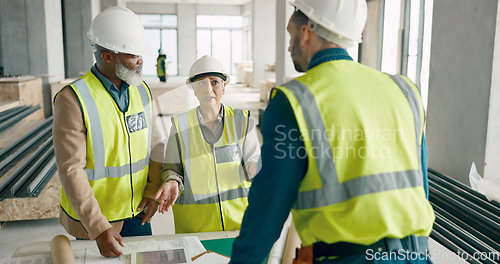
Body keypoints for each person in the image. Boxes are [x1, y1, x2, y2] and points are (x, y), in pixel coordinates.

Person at [229, 0, 435, 263]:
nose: (290, 45)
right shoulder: (405, 91)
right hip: (416, 255)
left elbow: (268, 210)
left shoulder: (295, 101)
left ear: (306, 32)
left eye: (291, 33)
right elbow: (420, 188)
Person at [53, 6, 161, 258]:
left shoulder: (142, 90)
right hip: (96, 223)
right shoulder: (73, 99)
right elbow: (71, 170)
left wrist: (153, 188)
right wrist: (98, 228)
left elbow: (156, 144)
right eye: (133, 55)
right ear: (108, 56)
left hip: (139, 212)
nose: (141, 60)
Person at [153, 55, 261, 233]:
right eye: (201, 84)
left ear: (224, 87)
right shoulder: (181, 125)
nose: (208, 89)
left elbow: (253, 161)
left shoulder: (242, 121)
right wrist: (172, 180)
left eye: (215, 82)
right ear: (193, 89)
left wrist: (255, 169)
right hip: (196, 228)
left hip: (240, 224)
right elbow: (172, 168)